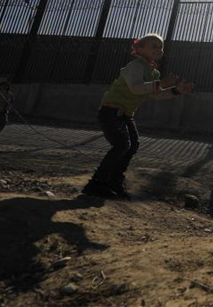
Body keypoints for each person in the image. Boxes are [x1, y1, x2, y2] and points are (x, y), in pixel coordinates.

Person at [82, 34, 194, 199]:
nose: (158, 49)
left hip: (125, 114)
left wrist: (176, 90)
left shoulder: (153, 72)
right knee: (121, 145)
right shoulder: (135, 65)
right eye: (153, 45)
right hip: (111, 111)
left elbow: (154, 94)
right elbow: (136, 88)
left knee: (132, 145)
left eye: (160, 46)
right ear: (139, 48)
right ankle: (96, 183)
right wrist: (161, 84)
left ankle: (114, 181)